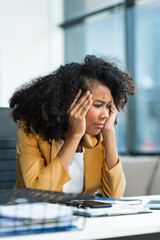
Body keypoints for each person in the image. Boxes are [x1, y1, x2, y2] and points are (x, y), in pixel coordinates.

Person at [9, 55, 135, 198]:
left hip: (80, 217)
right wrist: (74, 136)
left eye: (108, 106)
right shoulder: (31, 131)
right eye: (98, 105)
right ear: (71, 103)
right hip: (34, 217)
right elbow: (39, 193)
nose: (106, 114)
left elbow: (114, 194)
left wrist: (109, 133)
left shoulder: (96, 136)